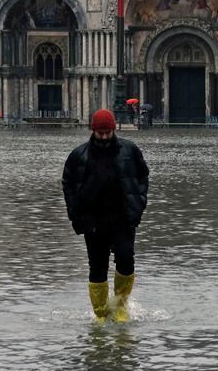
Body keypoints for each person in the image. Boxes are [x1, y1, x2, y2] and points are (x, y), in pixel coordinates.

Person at [63, 109, 150, 323]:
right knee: (97, 267)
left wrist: (138, 204)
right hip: (93, 222)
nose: (104, 136)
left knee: (126, 259)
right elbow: (68, 185)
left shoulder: (130, 150)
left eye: (107, 132)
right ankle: (101, 312)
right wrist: (76, 215)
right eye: (100, 132)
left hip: (123, 219)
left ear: (114, 129)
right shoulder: (78, 155)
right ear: (93, 131)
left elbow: (143, 176)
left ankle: (120, 305)